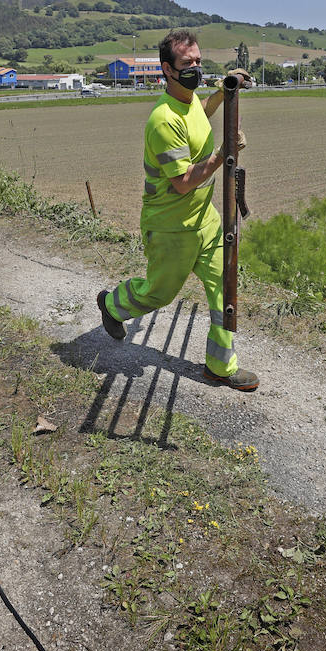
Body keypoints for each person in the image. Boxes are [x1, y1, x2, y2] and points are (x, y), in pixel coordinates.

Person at [96, 29, 259, 392]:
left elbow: (199, 116)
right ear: (167, 70)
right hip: (171, 226)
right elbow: (183, 182)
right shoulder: (163, 120)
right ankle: (112, 304)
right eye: (188, 64)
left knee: (225, 288)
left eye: (199, 61)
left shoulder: (189, 101)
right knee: (159, 293)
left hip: (205, 220)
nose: (196, 69)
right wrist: (224, 153)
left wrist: (222, 91)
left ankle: (221, 366)